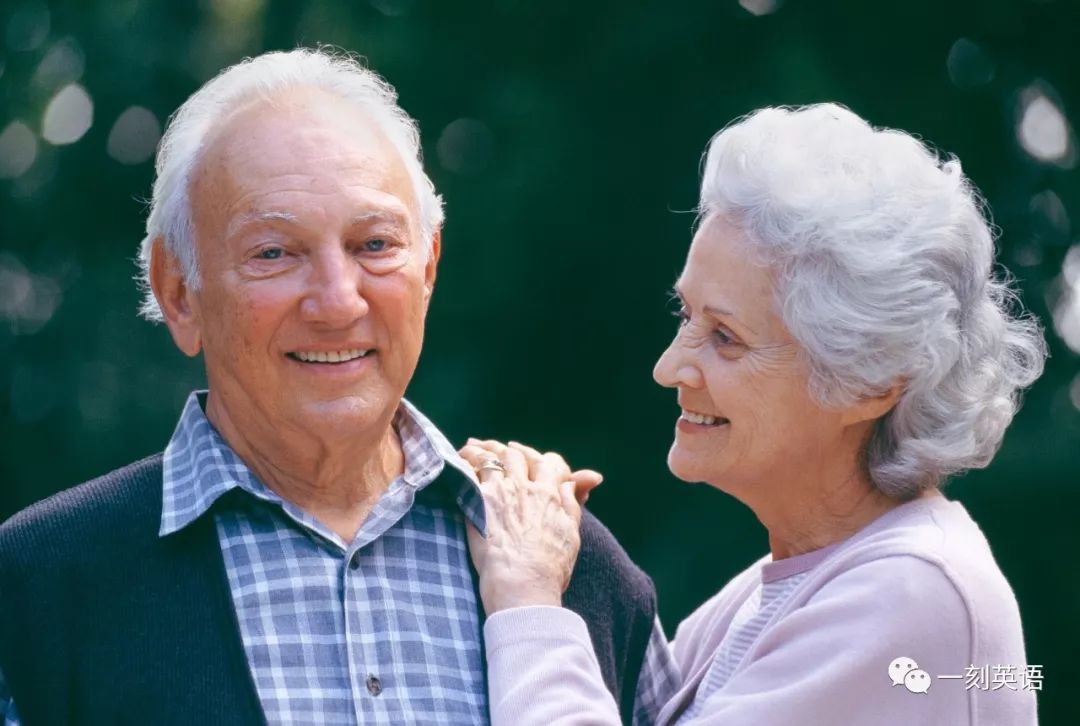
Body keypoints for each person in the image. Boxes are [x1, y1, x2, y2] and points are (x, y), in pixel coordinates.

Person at [0, 49, 678, 725]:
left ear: (429, 267)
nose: (337, 301)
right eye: (274, 253)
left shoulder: (570, 570)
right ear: (179, 292)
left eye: (375, 245)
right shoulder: (37, 588)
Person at [462, 104, 1046, 725]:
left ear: (871, 381)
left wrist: (526, 594)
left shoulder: (918, 592)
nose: (669, 368)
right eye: (686, 316)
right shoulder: (778, 587)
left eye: (726, 337)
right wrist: (547, 529)